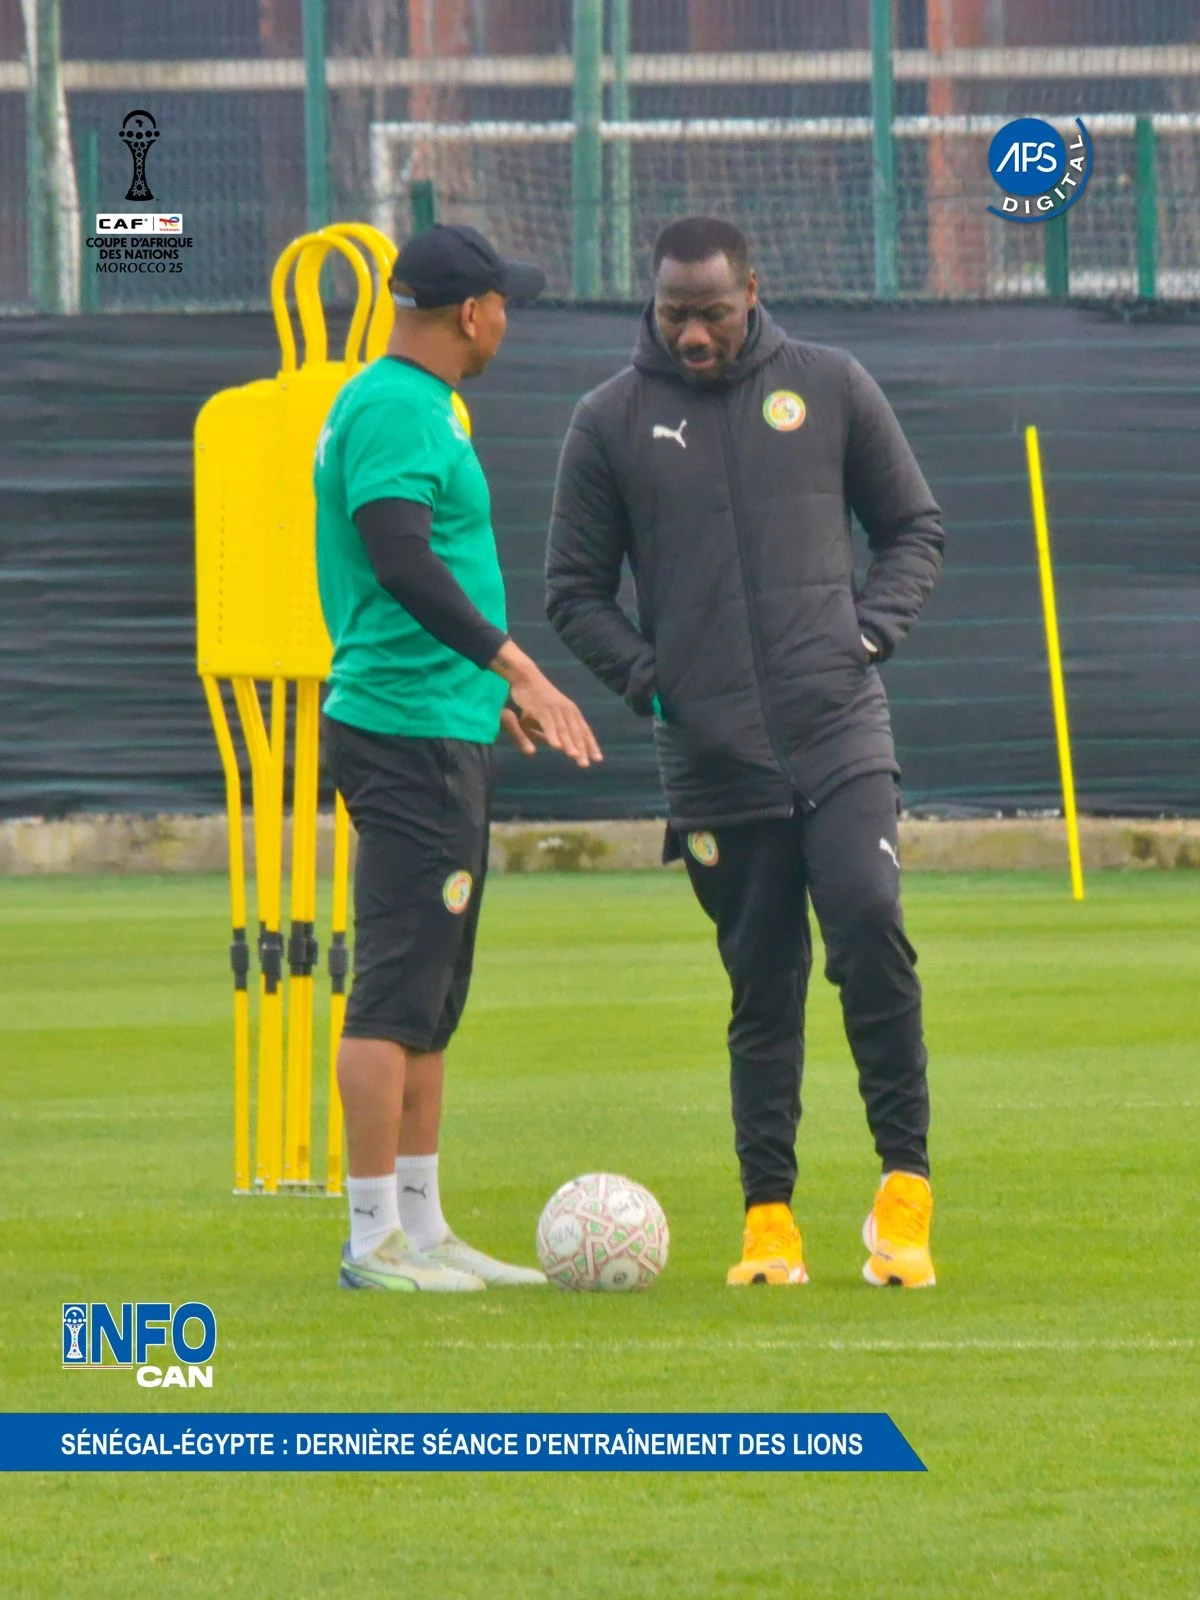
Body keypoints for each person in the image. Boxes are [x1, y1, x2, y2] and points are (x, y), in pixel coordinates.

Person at [545, 216, 944, 1289]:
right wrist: (654, 680)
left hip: (839, 729)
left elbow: (913, 527)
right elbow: (572, 592)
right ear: (655, 303)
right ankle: (769, 1218)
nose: (693, 334)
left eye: (712, 312)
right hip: (715, 762)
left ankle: (904, 1187)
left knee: (869, 925)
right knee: (763, 983)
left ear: (752, 292)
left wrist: (866, 635)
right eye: (674, 314)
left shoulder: (830, 385)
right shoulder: (609, 422)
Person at [315, 223, 602, 1292]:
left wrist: (490, 694)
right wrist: (519, 667)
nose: (508, 321)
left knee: (433, 991)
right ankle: (370, 1237)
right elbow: (398, 558)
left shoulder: (428, 405)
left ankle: (424, 1227)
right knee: (394, 988)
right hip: (402, 729)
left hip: (445, 719)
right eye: (503, 303)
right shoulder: (392, 404)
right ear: (473, 312)